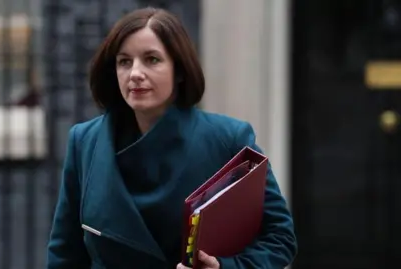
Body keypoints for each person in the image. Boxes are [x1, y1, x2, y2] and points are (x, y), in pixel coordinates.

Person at [46, 6, 297, 269]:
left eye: (152, 59)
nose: (135, 73)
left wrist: (224, 268)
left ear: (179, 70)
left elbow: (279, 238)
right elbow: (65, 253)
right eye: (124, 61)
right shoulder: (85, 142)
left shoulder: (228, 140)